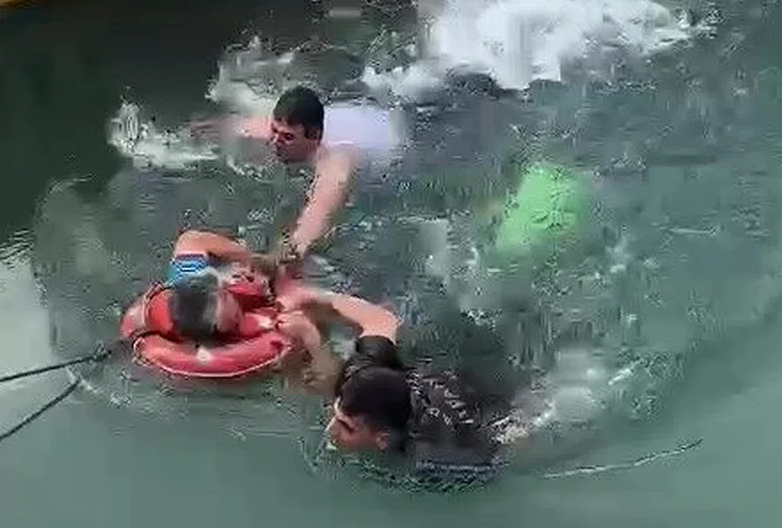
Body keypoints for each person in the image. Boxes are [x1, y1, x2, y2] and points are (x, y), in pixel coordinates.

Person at [124, 227, 398, 393]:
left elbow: (192, 239)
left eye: (224, 293)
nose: (231, 294)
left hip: (272, 285)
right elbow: (322, 383)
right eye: (231, 314)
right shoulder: (256, 343)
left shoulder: (187, 283)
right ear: (222, 332)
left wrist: (254, 258)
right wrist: (310, 336)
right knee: (308, 294)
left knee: (291, 253)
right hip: (297, 312)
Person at [198, 86, 406, 265]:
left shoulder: (336, 159)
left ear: (315, 137)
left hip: (389, 140)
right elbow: (236, 127)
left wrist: (290, 251)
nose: (275, 142)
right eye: (274, 131)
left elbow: (320, 211)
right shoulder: (285, 131)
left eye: (287, 138)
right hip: (354, 113)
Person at [325, 336, 501, 472]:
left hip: (492, 392)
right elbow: (380, 319)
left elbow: (498, 458)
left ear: (382, 440)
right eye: (336, 412)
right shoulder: (361, 372)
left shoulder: (433, 454)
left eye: (347, 427)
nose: (330, 428)